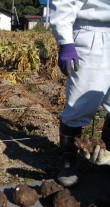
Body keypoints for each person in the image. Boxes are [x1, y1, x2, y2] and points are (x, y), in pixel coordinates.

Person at [49, 0, 110, 187]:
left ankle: (106, 155)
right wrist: (65, 41)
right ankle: (69, 160)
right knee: (79, 103)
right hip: (93, 33)